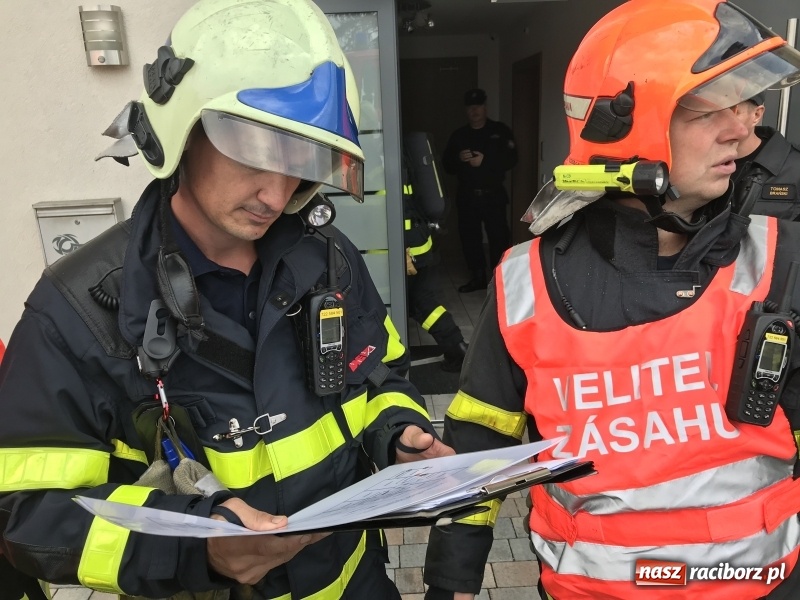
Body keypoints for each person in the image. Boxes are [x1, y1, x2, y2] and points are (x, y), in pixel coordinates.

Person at [0, 1, 453, 599]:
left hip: (355, 584)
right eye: (254, 151)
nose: (276, 191)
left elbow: (380, 374)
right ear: (183, 131)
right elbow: (30, 513)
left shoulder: (329, 258)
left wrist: (398, 432)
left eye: (300, 160)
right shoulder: (79, 312)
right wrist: (195, 549)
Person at [424, 1, 800, 598]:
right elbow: (480, 446)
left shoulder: (780, 252)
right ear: (629, 123)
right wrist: (452, 583)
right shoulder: (528, 281)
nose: (744, 130)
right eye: (711, 108)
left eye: (748, 104)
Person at [442, 88, 517, 294]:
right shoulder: (459, 135)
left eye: (478, 106)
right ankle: (477, 277)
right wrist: (459, 159)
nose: (474, 111)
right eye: (470, 107)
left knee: (499, 237)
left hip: (493, 195)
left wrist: (486, 161)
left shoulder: (499, 131)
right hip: (467, 196)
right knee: (470, 238)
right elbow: (446, 165)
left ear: (485, 107)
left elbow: (512, 159)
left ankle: (500, 280)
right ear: (466, 110)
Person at [403, 176, 468, 372]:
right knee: (423, 302)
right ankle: (458, 347)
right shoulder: (408, 166)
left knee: (422, 303)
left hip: (409, 250)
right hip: (421, 245)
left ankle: (457, 350)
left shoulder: (381, 171)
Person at [731, 92, 800, 219]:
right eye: (710, 113)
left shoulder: (795, 168)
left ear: (756, 115)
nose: (720, 121)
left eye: (733, 111)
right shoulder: (694, 161)